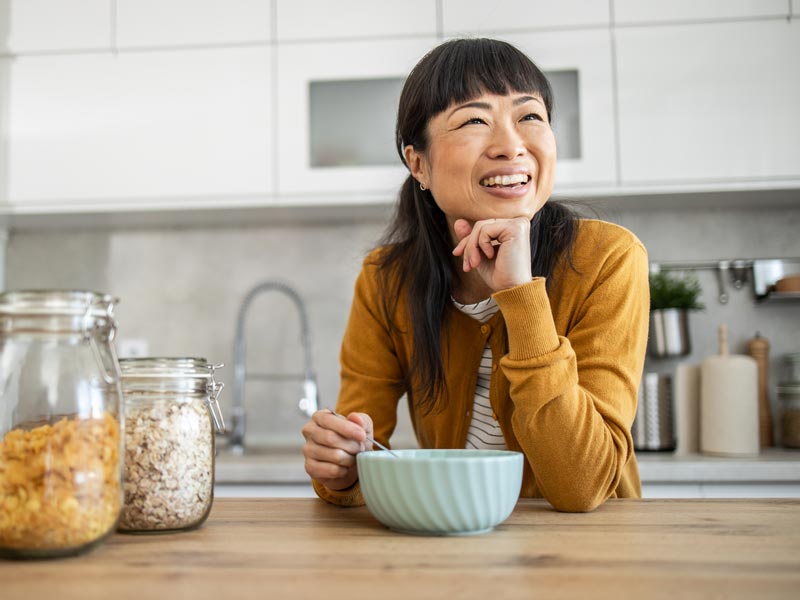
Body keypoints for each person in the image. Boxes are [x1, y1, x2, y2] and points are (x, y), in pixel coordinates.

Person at [301, 38, 649, 513]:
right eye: (474, 121)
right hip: (451, 536)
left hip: (586, 557)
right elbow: (362, 446)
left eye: (530, 116)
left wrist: (520, 295)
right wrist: (339, 463)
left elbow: (583, 485)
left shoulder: (607, 258)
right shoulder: (387, 279)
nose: (511, 147)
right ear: (417, 163)